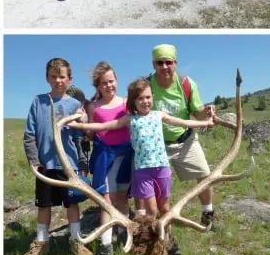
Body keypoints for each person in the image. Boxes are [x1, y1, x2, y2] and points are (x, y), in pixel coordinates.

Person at [69, 77, 214, 233]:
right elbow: (103, 126)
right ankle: (151, 240)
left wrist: (205, 122)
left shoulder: (159, 115)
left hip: (162, 169)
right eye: (140, 98)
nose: (145, 101)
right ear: (133, 102)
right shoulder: (130, 119)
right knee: (152, 211)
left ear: (152, 97)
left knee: (165, 208)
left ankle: (168, 240)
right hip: (143, 172)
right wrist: (78, 125)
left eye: (148, 97)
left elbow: (182, 123)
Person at [19, 57, 92, 255]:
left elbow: (81, 138)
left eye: (62, 76)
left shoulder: (76, 105)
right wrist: (35, 161)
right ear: (47, 79)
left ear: (70, 79)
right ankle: (41, 243)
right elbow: (29, 134)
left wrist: (83, 163)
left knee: (72, 205)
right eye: (54, 76)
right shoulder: (38, 101)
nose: (58, 80)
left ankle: (76, 242)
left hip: (70, 166)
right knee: (44, 205)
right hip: (45, 167)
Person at [148, 44, 217, 255]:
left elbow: (196, 112)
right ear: (154, 65)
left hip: (185, 140)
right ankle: (166, 234)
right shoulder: (146, 85)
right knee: (160, 191)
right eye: (160, 63)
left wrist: (205, 111)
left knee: (205, 176)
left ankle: (208, 214)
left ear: (175, 63)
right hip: (157, 146)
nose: (165, 66)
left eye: (169, 62)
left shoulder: (186, 85)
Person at [84, 62, 133, 255]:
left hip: (127, 155)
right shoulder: (93, 107)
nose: (109, 86)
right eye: (104, 83)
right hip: (104, 157)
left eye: (111, 81)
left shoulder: (127, 102)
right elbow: (89, 133)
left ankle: (124, 233)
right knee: (106, 200)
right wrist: (81, 121)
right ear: (98, 86)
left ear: (117, 81)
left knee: (122, 196)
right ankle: (105, 245)